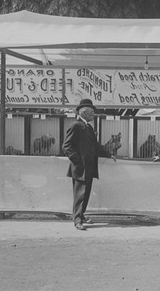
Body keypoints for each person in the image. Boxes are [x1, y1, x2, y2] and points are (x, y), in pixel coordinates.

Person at [62, 99, 116, 230]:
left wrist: (108, 154)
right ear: (84, 112)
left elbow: (95, 147)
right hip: (81, 168)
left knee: (85, 194)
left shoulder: (88, 127)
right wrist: (78, 162)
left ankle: (81, 215)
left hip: (90, 168)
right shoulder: (75, 125)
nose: (93, 115)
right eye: (91, 112)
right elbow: (66, 146)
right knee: (80, 194)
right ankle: (77, 220)